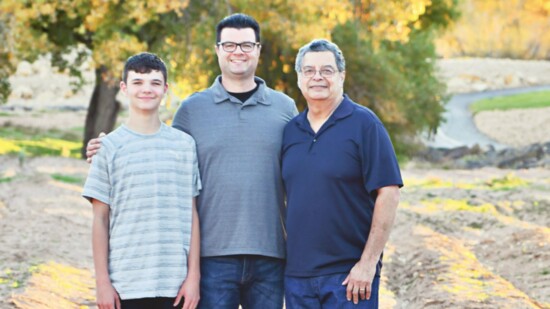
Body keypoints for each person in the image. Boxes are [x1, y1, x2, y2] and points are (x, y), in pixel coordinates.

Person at [87, 14, 297, 308]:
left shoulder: (285, 108)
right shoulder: (192, 109)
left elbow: (304, 161)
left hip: (270, 252)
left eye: (247, 44)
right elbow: (158, 148)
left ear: (259, 49)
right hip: (211, 255)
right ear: (217, 49)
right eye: (230, 45)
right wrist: (106, 147)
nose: (238, 51)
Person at [281, 39, 403, 308]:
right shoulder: (290, 131)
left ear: (341, 76)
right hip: (298, 277)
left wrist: (368, 263)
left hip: (349, 278)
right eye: (309, 70)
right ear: (300, 78)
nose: (318, 77)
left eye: (327, 70)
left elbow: (389, 194)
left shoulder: (365, 124)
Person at [82, 52, 201, 309]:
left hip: (176, 284)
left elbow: (191, 214)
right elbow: (100, 220)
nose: (146, 89)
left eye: (155, 83)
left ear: (165, 89)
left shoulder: (184, 146)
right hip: (125, 283)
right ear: (124, 88)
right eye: (137, 82)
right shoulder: (109, 148)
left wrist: (193, 277)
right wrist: (102, 282)